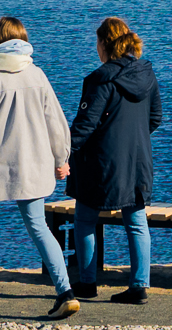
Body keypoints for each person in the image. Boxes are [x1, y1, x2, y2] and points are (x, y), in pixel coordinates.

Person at [0, 15, 76, 319]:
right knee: (39, 227)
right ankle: (66, 293)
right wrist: (62, 159)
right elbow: (56, 124)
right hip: (33, 165)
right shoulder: (37, 74)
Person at [67, 16, 164, 303]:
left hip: (100, 163)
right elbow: (155, 118)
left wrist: (63, 152)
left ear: (104, 44)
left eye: (96, 42)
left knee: (84, 220)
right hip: (138, 161)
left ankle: (87, 283)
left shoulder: (101, 79)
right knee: (136, 222)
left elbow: (85, 125)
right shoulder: (147, 74)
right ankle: (139, 285)